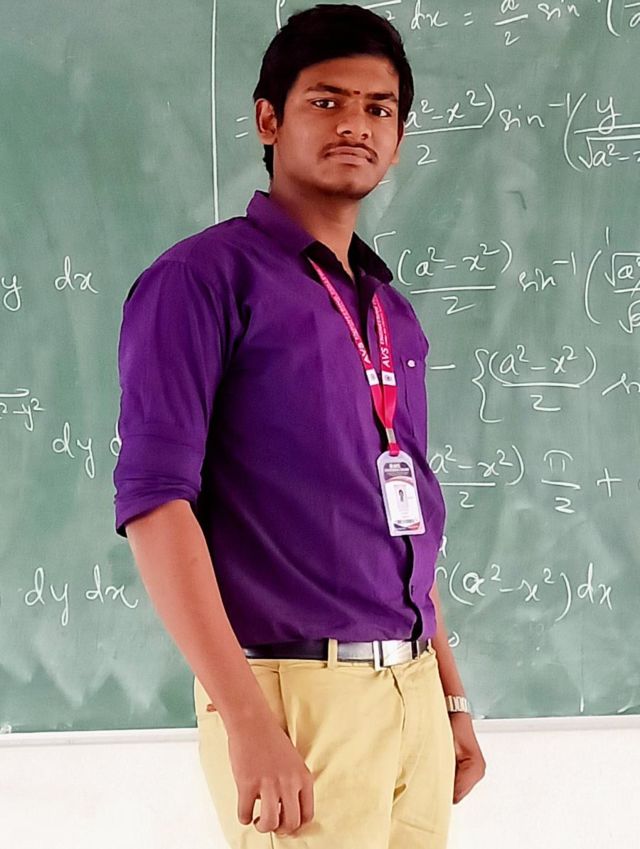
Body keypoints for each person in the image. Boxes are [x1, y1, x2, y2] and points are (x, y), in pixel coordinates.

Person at [112, 4, 486, 847]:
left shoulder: (389, 312)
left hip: (412, 694)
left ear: (399, 137)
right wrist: (247, 720)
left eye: (379, 108)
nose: (355, 124)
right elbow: (156, 505)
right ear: (268, 120)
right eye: (326, 101)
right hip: (293, 694)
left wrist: (449, 693)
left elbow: (403, 517)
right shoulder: (202, 280)